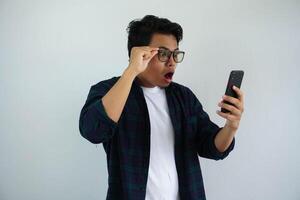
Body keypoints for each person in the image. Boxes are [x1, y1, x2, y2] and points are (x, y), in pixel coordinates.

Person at [79, 15, 244, 200]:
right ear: (139, 53)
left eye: (175, 54)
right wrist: (131, 71)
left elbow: (212, 147)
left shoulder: (183, 97)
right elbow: (93, 131)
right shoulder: (110, 91)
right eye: (163, 54)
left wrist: (231, 127)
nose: (172, 61)